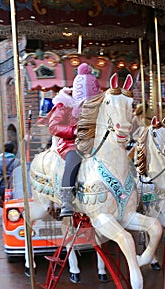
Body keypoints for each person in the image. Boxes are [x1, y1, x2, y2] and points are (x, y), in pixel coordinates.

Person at [48, 63, 101, 217]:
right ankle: (67, 200)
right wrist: (74, 131)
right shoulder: (64, 105)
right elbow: (54, 126)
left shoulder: (97, 106)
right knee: (74, 159)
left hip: (94, 141)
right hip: (71, 143)